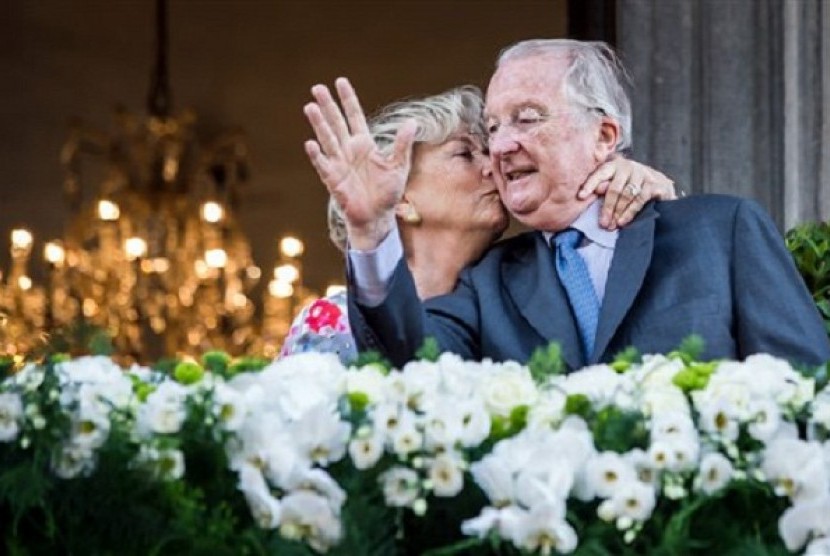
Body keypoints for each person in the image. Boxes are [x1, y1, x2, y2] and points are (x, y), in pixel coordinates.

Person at [311, 38, 830, 371]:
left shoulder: (722, 230)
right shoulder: (487, 282)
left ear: (604, 135)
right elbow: (411, 358)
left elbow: (810, 394)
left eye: (528, 118)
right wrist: (372, 230)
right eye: (493, 128)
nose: (501, 146)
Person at [283, 84, 676, 363]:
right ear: (401, 198)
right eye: (465, 155)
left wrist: (639, 199)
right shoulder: (332, 325)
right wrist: (370, 229)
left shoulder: (538, 281)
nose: (495, 167)